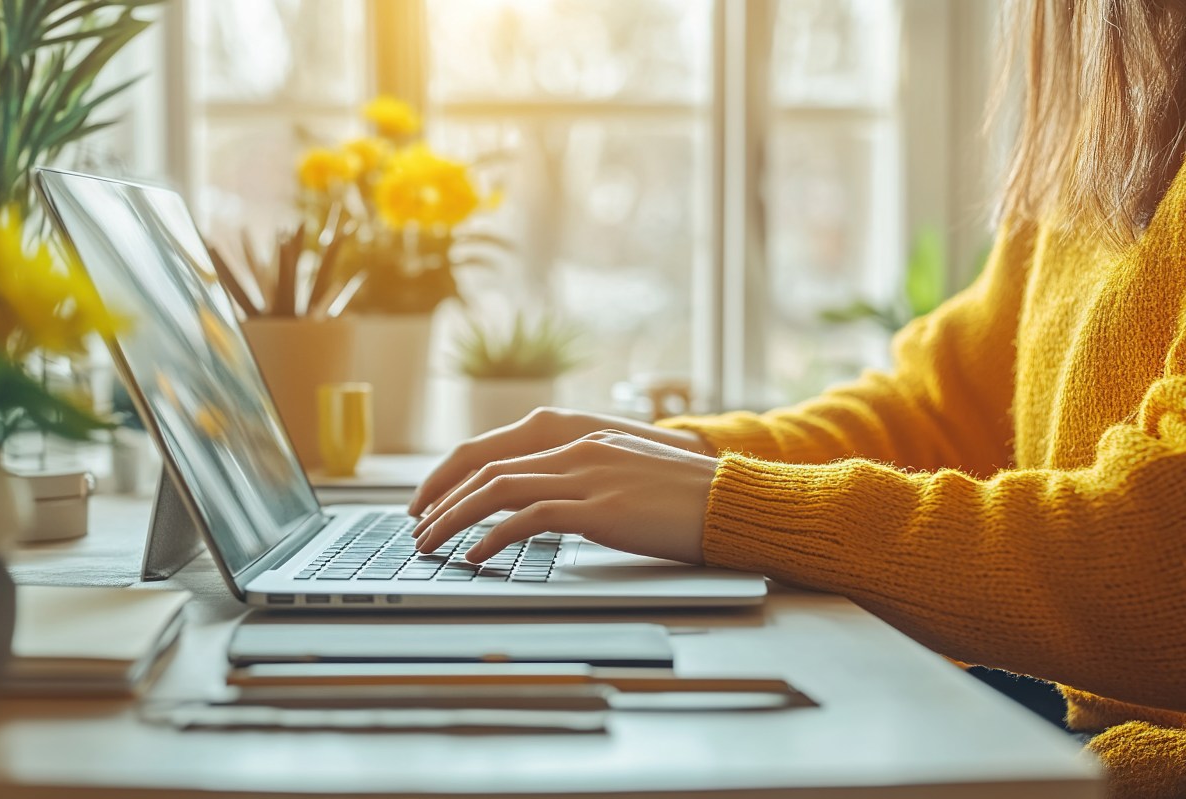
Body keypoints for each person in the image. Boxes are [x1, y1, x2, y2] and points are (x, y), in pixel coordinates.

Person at [410, 2, 1186, 796]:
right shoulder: (1116, 129)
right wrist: (685, 457)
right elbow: (935, 412)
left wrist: (728, 503)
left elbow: (1162, 552)